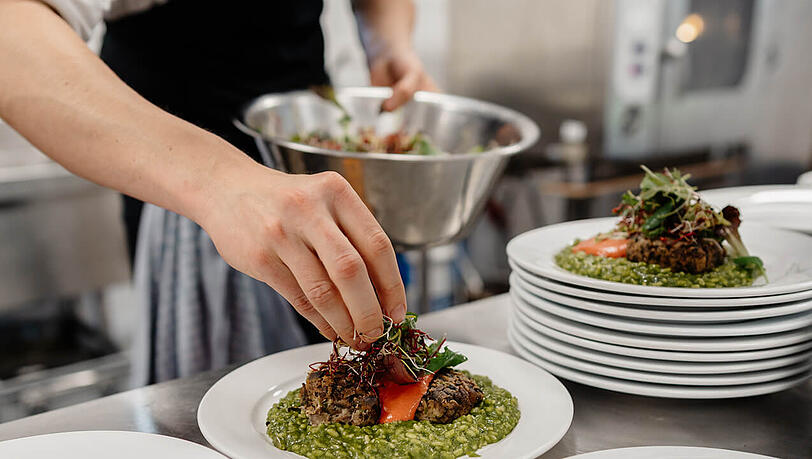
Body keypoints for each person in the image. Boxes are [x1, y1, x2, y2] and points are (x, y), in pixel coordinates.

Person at [0, 0, 437, 384]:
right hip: (190, 197)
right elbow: (12, 33)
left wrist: (388, 44)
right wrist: (224, 186)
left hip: (312, 174)